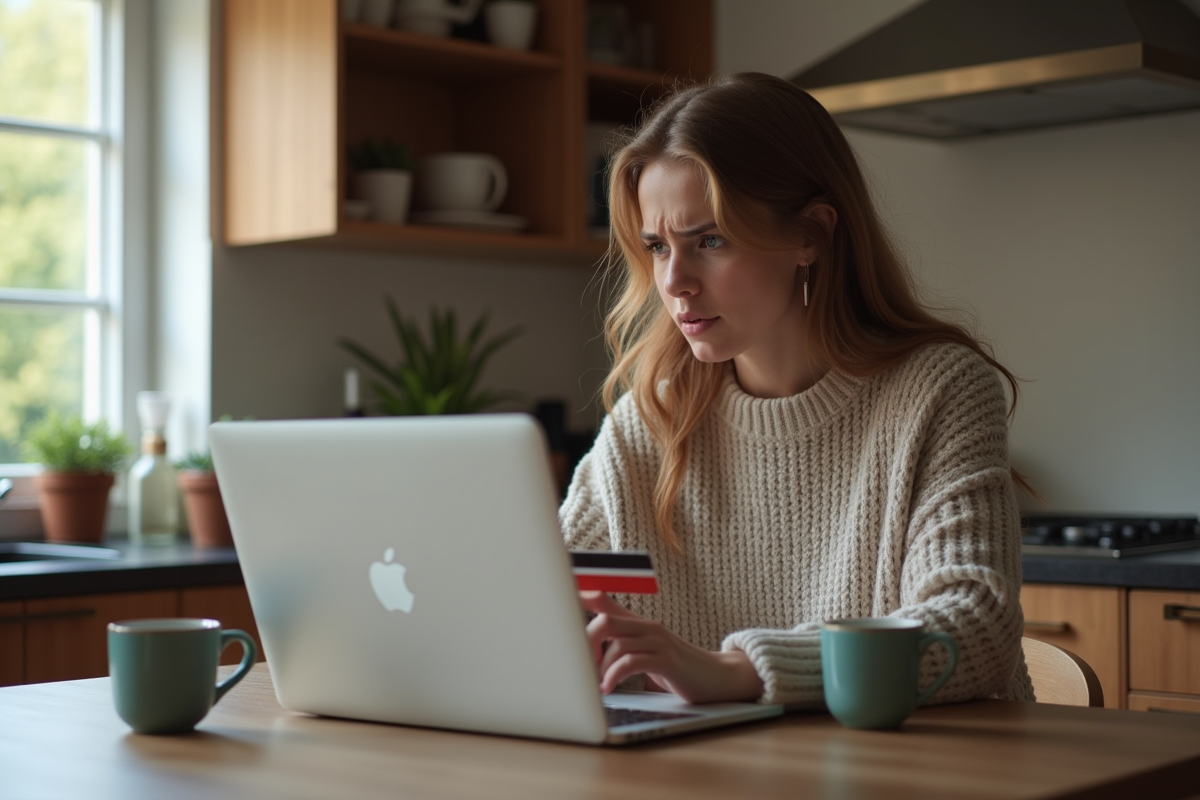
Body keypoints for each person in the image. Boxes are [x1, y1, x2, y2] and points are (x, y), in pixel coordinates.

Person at [559, 72, 1035, 708]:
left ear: (810, 235)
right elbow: (550, 600)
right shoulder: (650, 418)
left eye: (710, 240)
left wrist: (737, 670)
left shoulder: (939, 390)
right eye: (656, 246)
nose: (674, 281)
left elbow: (974, 627)